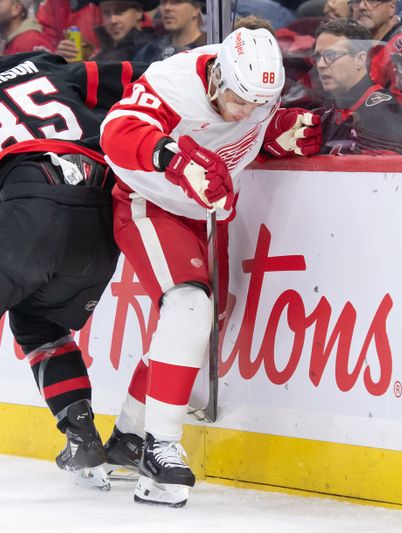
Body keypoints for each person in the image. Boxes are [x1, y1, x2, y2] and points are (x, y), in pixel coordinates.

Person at [0, 14, 147, 500]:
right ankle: (83, 441)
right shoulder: (41, 64)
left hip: (29, 207)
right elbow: (139, 81)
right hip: (102, 213)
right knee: (41, 326)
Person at [98, 27, 321, 507]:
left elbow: (248, 132)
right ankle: (160, 449)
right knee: (189, 307)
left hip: (204, 212)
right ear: (218, 74)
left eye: (255, 104)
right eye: (238, 100)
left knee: (199, 323)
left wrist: (277, 135)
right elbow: (116, 131)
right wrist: (172, 158)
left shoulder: (257, 92)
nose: (244, 111)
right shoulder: (172, 83)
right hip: (149, 201)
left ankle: (129, 435)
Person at [314, 17, 402, 153]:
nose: (321, 65)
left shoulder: (383, 116)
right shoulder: (329, 111)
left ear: (359, 59)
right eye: (318, 56)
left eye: (331, 55)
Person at [350, 0, 402, 107]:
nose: (361, 6)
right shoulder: (354, 43)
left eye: (372, 1)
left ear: (392, 7)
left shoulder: (398, 49)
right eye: (356, 1)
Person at [134, 0, 205, 63]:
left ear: (196, 9)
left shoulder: (209, 48)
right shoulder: (148, 52)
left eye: (177, 2)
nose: (167, 8)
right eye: (163, 2)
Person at [91, 0, 156, 61]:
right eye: (107, 13)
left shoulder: (152, 50)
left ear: (139, 12)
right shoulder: (102, 53)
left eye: (120, 12)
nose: (113, 20)